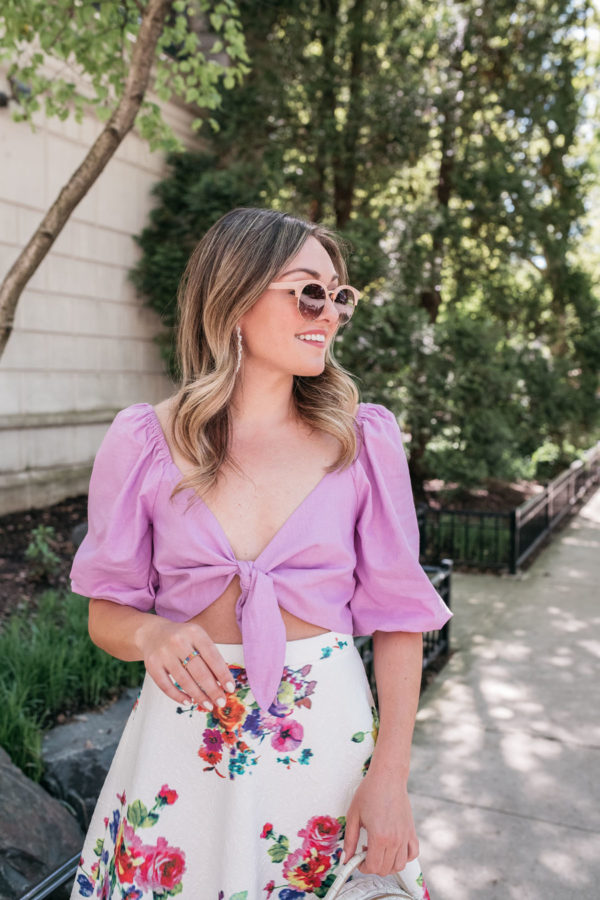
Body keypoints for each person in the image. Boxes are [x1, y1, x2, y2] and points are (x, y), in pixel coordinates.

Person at [69, 207, 452, 900]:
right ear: (236, 296)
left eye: (339, 294)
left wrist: (390, 775)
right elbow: (106, 614)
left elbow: (402, 617)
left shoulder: (361, 442)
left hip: (327, 748)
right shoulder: (144, 442)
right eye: (309, 290)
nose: (330, 311)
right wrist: (152, 631)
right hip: (183, 752)